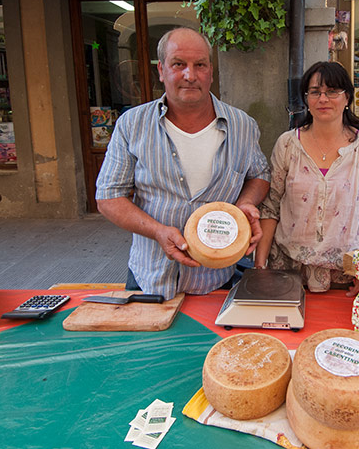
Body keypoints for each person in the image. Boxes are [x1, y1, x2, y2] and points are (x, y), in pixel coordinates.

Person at [95, 27, 270, 300]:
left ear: (211, 72)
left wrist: (244, 206)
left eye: (199, 65)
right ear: (161, 71)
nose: (190, 75)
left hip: (219, 276)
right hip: (150, 275)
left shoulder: (243, 125)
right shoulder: (132, 124)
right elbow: (108, 196)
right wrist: (157, 232)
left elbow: (259, 174)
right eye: (179, 65)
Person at [255, 61, 359, 295]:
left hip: (345, 274)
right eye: (315, 92)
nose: (323, 99)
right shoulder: (288, 144)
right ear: (306, 99)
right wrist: (259, 265)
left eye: (332, 92)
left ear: (347, 98)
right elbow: (270, 207)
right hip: (287, 268)